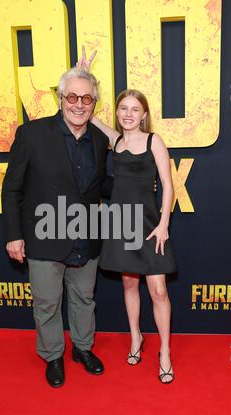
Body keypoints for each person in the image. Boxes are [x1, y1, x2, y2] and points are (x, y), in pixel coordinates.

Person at [1, 64, 112, 387]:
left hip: (86, 236)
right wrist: (14, 235)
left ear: (95, 103)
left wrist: (139, 184)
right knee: (47, 303)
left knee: (84, 298)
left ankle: (82, 348)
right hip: (43, 236)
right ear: (60, 98)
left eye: (87, 98)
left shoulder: (99, 138)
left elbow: (98, 184)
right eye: (73, 96)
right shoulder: (32, 134)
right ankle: (52, 356)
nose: (79, 104)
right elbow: (12, 189)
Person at [77, 49, 177, 384]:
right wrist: (83, 76)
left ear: (144, 113)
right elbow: (85, 113)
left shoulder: (154, 141)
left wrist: (163, 224)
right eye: (123, 108)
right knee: (129, 283)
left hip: (150, 226)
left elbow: (167, 186)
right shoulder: (115, 140)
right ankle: (136, 337)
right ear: (117, 112)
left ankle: (164, 350)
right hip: (121, 225)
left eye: (135, 109)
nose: (128, 113)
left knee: (159, 291)